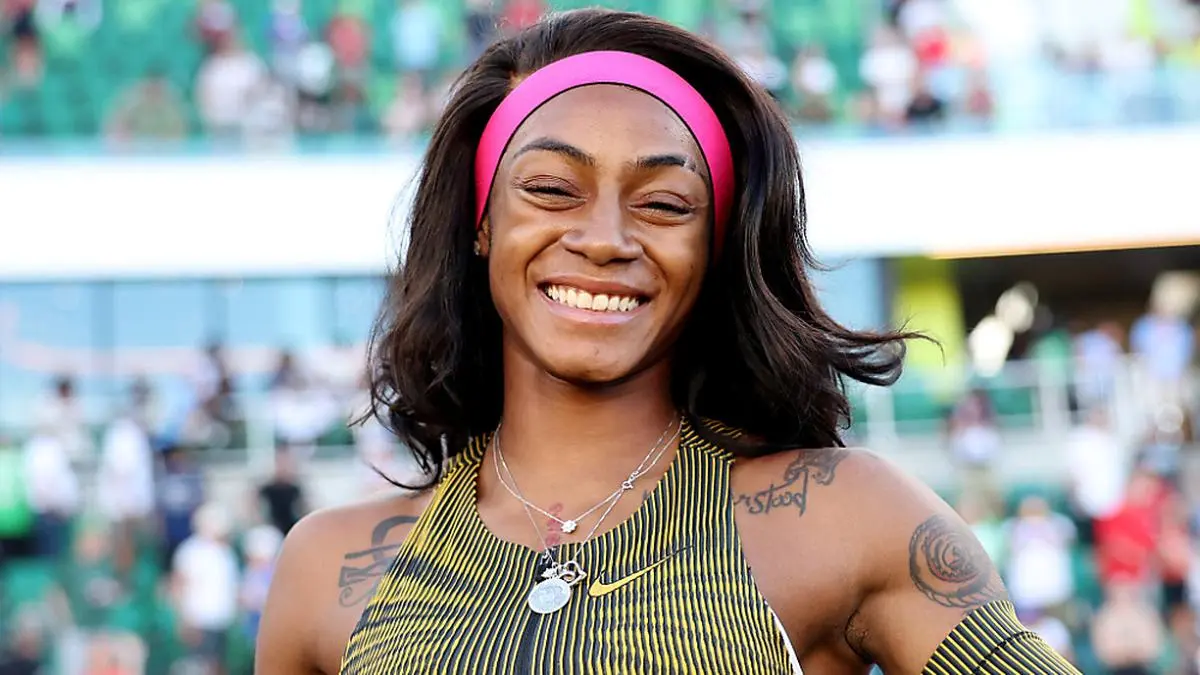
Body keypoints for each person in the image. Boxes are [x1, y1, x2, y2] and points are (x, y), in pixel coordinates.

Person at [257, 9, 1078, 674]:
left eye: (664, 204)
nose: (605, 238)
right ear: (481, 223)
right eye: (551, 189)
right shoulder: (326, 570)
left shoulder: (846, 518)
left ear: (714, 246)